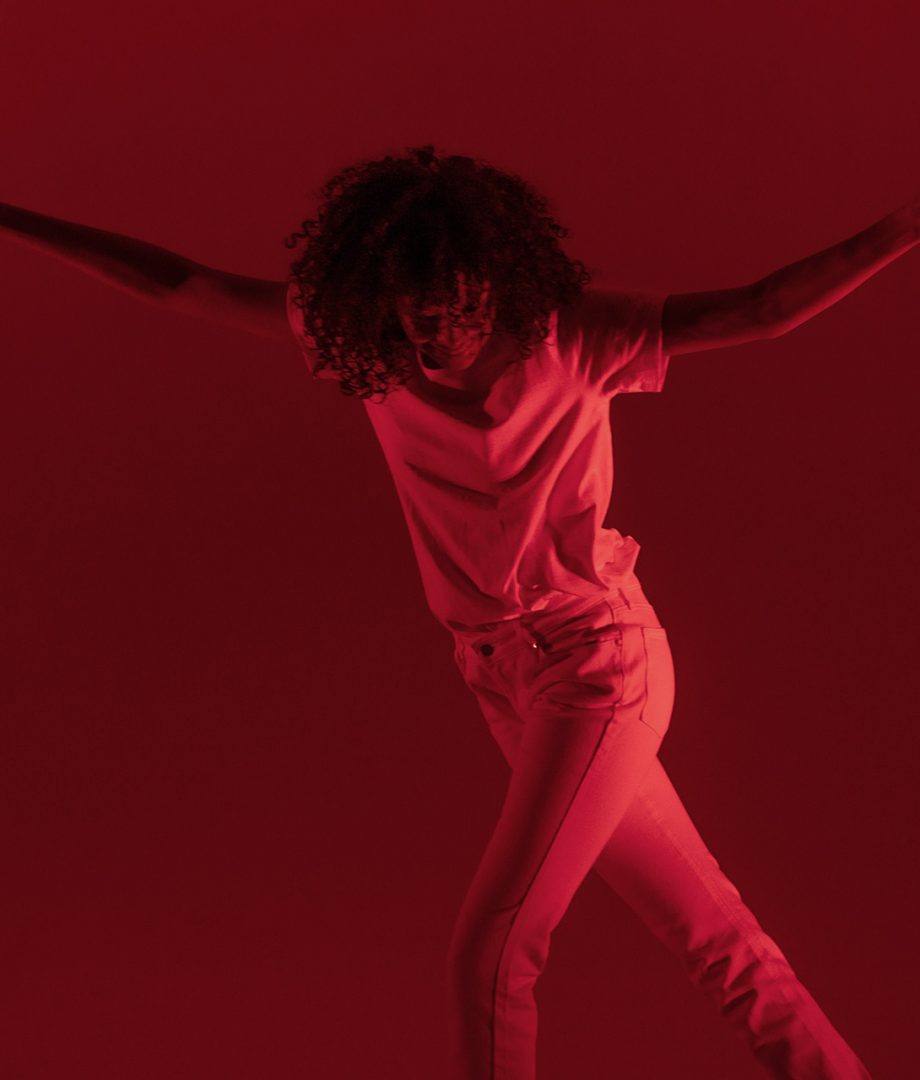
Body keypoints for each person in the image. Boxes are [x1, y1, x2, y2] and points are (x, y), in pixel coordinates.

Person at [4, 144, 915, 1079]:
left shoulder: (578, 336)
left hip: (597, 666)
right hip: (500, 678)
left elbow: (762, 309)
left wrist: (903, 225)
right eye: (415, 315)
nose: (437, 334)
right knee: (716, 939)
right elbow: (181, 282)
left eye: (456, 308)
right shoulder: (367, 348)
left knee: (494, 951)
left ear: (498, 281)